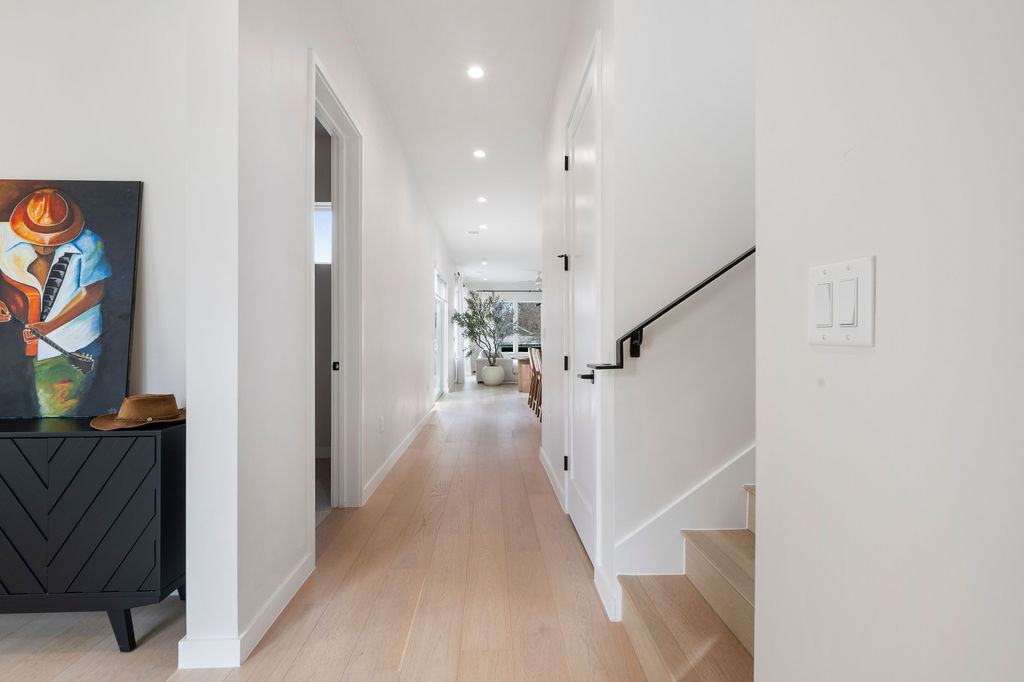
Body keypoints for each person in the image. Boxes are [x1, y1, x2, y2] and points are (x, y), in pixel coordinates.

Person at [0, 188, 110, 416]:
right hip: (10, 348)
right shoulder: (2, 236)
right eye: (38, 238)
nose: (46, 246)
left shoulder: (90, 244)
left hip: (70, 347)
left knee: (55, 419)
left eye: (55, 239)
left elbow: (93, 292)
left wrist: (49, 327)